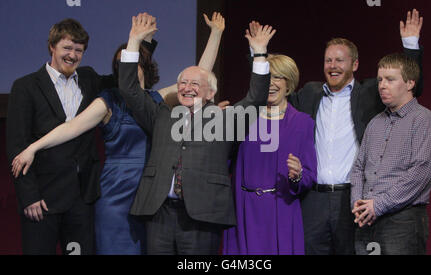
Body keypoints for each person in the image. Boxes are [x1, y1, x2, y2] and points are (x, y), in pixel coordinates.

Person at [10, 12, 226, 255]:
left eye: (133, 64)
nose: (128, 71)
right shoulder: (108, 101)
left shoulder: (159, 100)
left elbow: (200, 76)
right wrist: (33, 148)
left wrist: (216, 34)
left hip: (152, 196)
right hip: (116, 194)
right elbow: (71, 127)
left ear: (143, 66)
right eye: (122, 67)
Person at [117, 12, 273, 255]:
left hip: (203, 213)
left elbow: (256, 98)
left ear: (211, 93)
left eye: (194, 84)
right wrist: (134, 41)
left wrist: (260, 54)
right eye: (182, 83)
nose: (186, 88)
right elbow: (128, 88)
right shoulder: (160, 114)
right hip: (159, 212)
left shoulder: (226, 119)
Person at [284, 9, 425, 254]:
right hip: (313, 200)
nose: (333, 66)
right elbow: (276, 104)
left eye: (340, 60)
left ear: (355, 64)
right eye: (328, 60)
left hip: (353, 198)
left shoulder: (371, 92)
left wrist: (410, 45)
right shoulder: (310, 93)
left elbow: (411, 86)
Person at [5, 18, 123, 255]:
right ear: (52, 46)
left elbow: (125, 78)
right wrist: (29, 197)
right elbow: (17, 144)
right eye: (67, 48)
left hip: (81, 200)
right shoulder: (25, 86)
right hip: (42, 201)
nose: (72, 55)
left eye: (78, 50)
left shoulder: (90, 79)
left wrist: (142, 42)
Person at [222, 48, 317, 255]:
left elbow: (309, 175)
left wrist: (298, 175)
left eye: (278, 77)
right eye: (267, 77)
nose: (271, 83)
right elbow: (221, 160)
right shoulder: (243, 117)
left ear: (289, 83)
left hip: (280, 212)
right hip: (243, 210)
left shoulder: (303, 123)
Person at [350, 53, 431, 255]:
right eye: (380, 80)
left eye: (390, 80)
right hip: (366, 219)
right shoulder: (375, 123)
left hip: (402, 221)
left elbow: (420, 173)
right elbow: (358, 168)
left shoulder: (424, 120)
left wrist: (378, 205)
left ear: (410, 83)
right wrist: (358, 203)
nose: (382, 85)